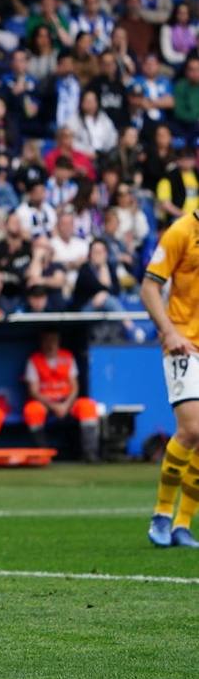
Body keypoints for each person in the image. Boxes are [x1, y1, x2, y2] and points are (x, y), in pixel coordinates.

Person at [140, 209, 199, 548]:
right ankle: (162, 514)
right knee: (192, 428)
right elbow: (149, 287)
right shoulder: (180, 232)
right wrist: (169, 331)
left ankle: (183, 523)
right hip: (184, 346)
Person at [22, 331, 101, 461]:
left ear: (58, 342)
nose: (50, 344)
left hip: (67, 401)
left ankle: (90, 453)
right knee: (32, 410)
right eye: (47, 341)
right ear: (41, 342)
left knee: (88, 406)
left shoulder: (67, 357)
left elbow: (75, 387)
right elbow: (33, 391)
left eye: (53, 340)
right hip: (45, 402)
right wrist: (54, 406)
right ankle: (43, 454)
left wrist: (65, 405)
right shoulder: (35, 360)